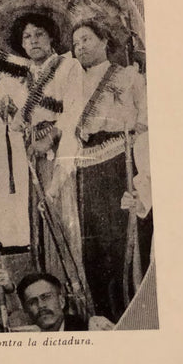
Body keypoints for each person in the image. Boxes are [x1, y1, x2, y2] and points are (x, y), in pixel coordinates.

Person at [0, 0, 90, 316]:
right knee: (41, 220)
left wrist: (51, 138)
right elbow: (20, 124)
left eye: (39, 35)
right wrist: (11, 114)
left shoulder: (67, 65)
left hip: (62, 155)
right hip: (35, 156)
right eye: (27, 37)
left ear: (51, 38)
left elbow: (75, 110)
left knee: (63, 219)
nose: (33, 41)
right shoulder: (26, 75)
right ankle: (49, 292)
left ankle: (73, 299)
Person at [53, 19, 149, 322]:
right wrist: (57, 180)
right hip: (85, 170)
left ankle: (131, 311)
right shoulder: (72, 84)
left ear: (104, 40)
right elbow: (70, 132)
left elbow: (146, 121)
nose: (80, 47)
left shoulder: (129, 76)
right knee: (91, 247)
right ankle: (102, 317)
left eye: (86, 39)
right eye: (76, 42)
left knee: (121, 242)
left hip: (120, 163)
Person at [17, 273, 114, 332]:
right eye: (32, 302)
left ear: (62, 301)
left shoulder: (89, 330)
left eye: (46, 297)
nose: (41, 305)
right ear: (26, 309)